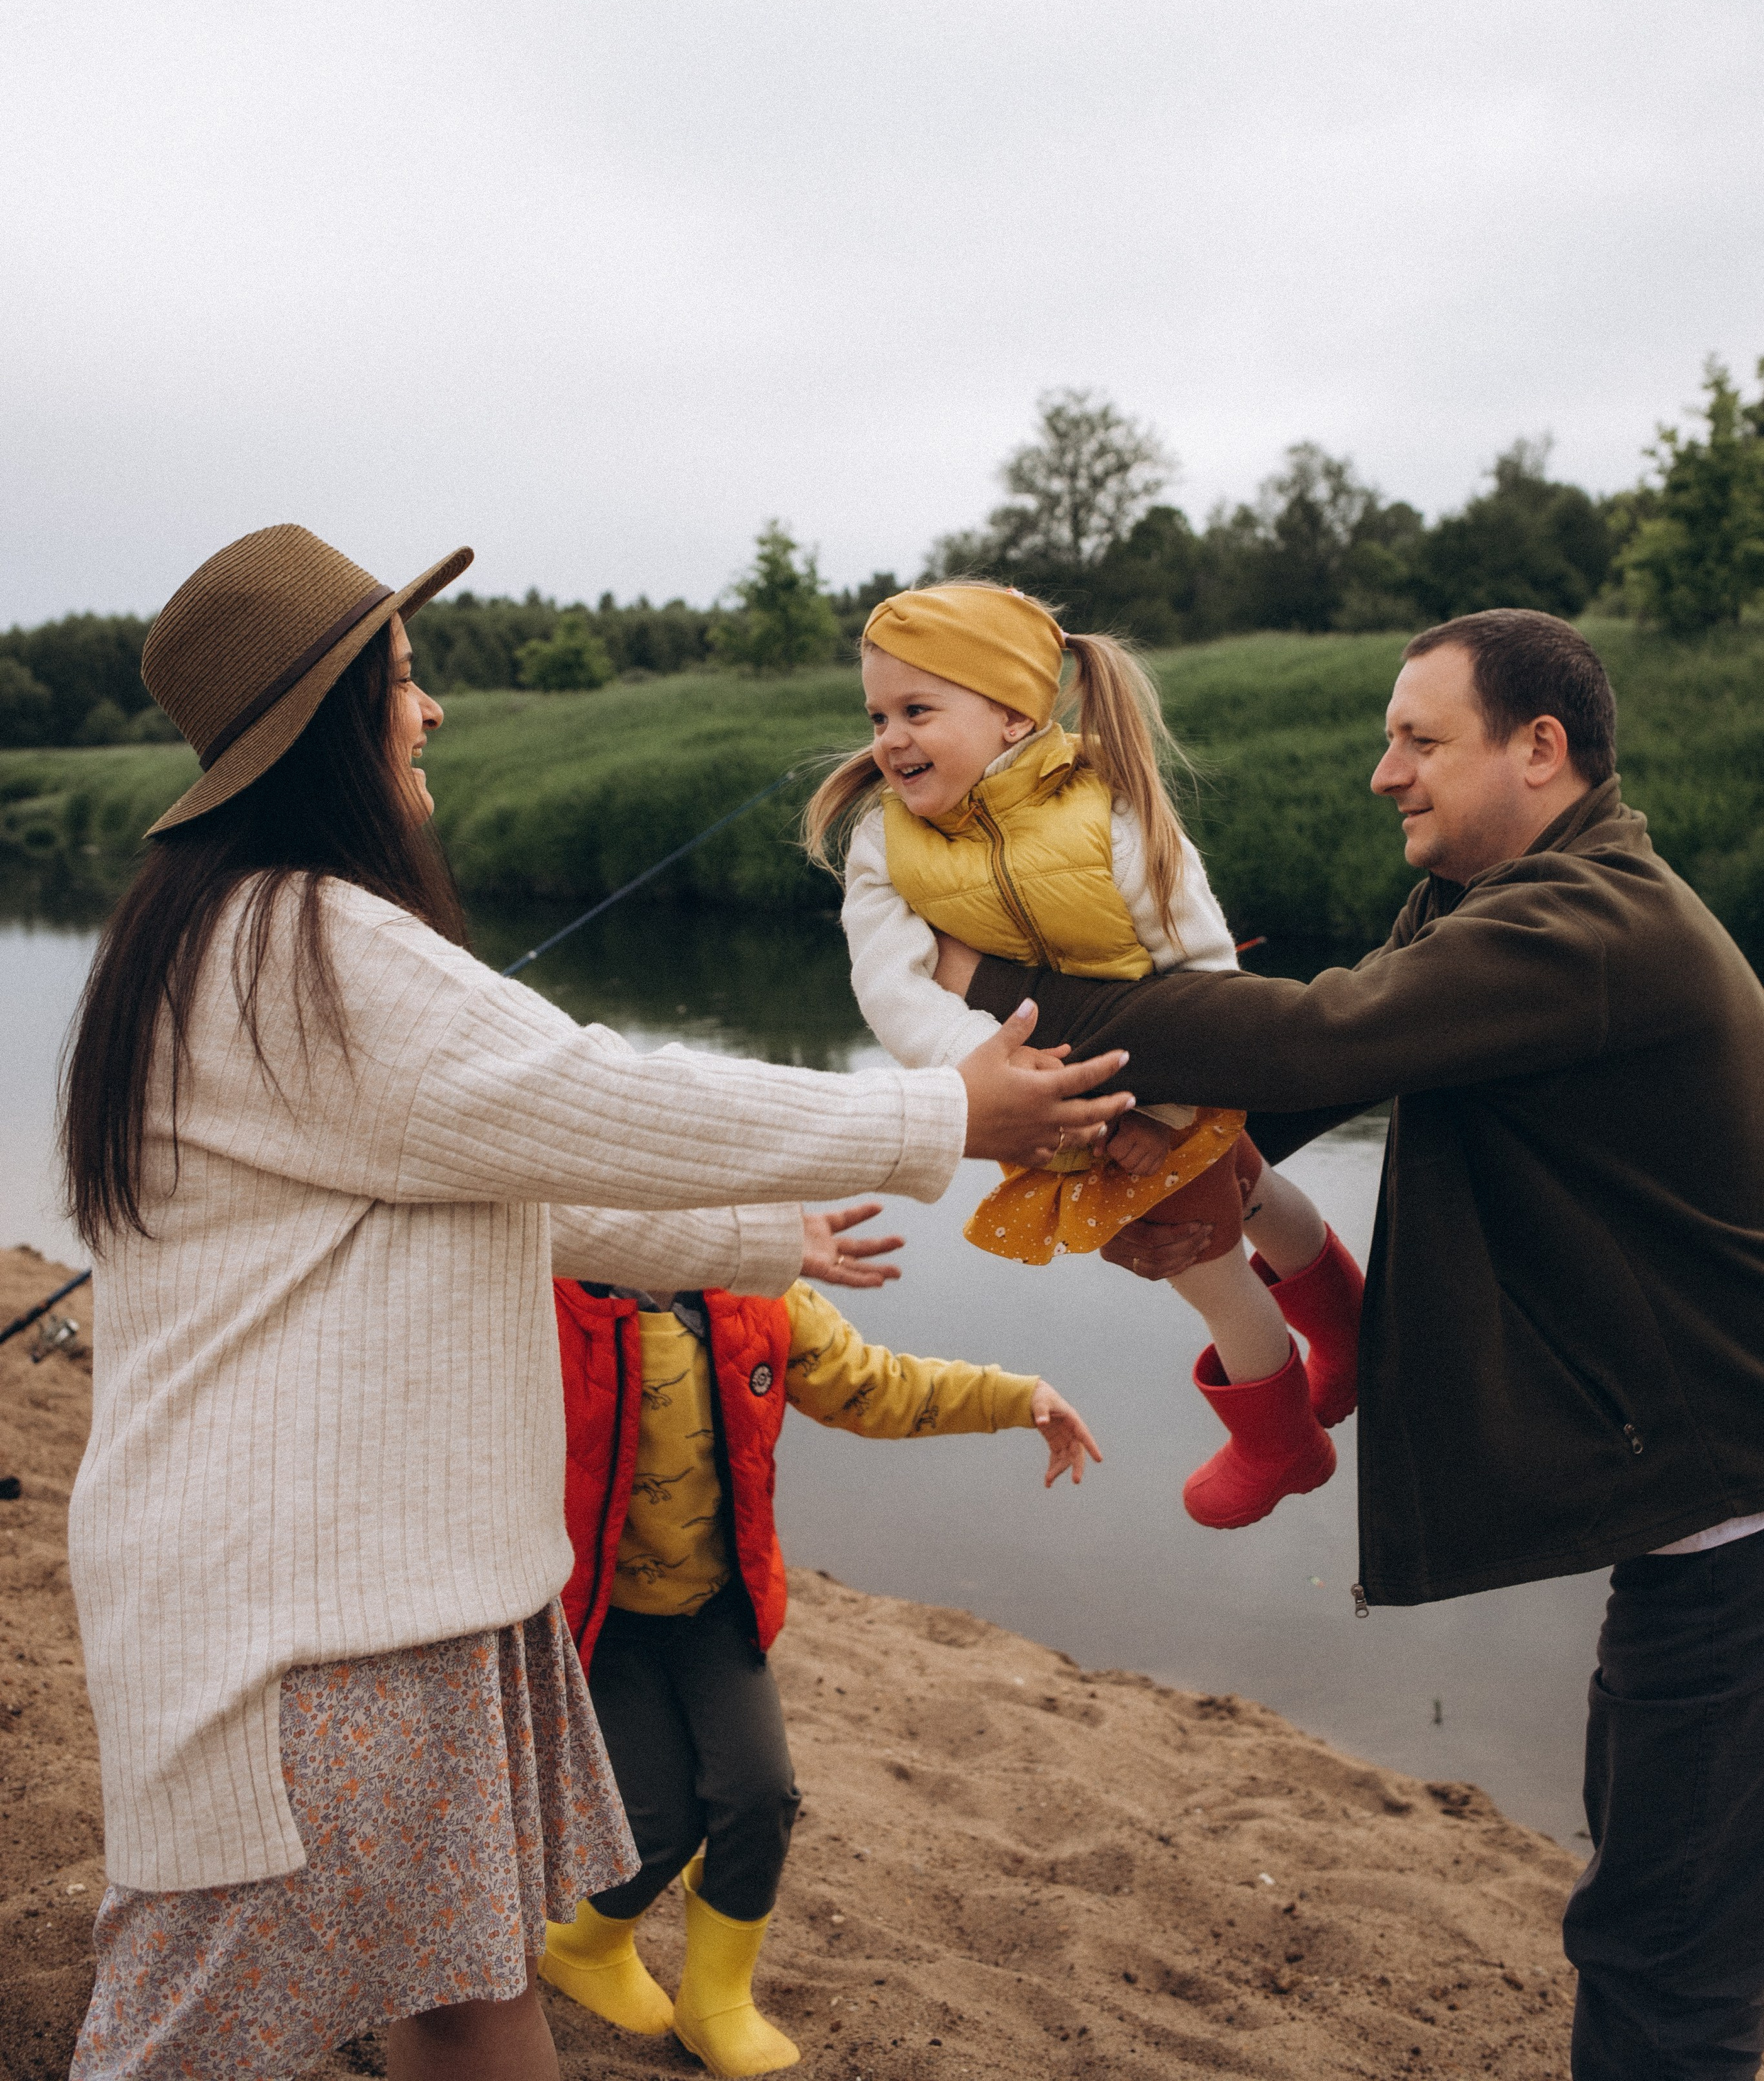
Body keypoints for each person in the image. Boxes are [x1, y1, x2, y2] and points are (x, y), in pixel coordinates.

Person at [59, 523, 1132, 2081]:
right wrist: (938, 1114)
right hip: (313, 1621)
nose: (430, 709)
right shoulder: (311, 942)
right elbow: (593, 1095)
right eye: (403, 680)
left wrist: (754, 1239)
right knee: (187, 2034)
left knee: (468, 1985)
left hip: (390, 1598)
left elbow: (503, 1176)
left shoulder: (217, 925)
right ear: (328, 727)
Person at [939, 608, 1764, 2081]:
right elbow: (1297, 1090)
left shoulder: (1591, 926)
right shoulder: (1488, 906)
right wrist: (1161, 1167)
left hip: (1738, 1526)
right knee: (1673, 1916)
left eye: (1419, 741)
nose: (1384, 773)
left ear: (1540, 748)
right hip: (1705, 1512)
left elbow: (1322, 1035)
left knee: (1663, 1952)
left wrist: (996, 986)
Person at [803, 580, 1362, 1528]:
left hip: (1168, 1087)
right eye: (878, 716)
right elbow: (891, 985)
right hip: (1040, 1097)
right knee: (1252, 1187)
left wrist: (1167, 1115)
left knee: (1208, 1265)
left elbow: (1204, 971)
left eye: (918, 711)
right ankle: (1350, 1336)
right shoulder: (882, 841)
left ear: (1014, 716)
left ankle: (1284, 1446)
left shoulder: (1107, 807)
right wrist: (986, 1064)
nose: (890, 739)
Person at [538, 1258, 1100, 2075]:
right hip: (599, 1622)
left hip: (719, 1612)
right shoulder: (549, 1298)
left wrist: (1016, 1397)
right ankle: (582, 1947)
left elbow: (873, 1387)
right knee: (656, 1821)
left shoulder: (759, 1295)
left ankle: (716, 2001)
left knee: (759, 1794)